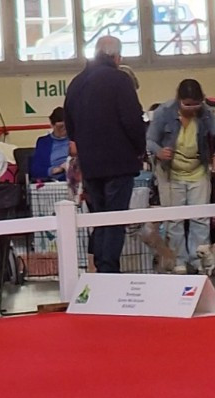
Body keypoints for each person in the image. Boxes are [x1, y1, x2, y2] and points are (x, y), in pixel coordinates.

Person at [63, 35, 146, 274]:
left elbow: (70, 122)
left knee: (98, 219)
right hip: (119, 163)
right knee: (115, 220)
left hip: (90, 164)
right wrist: (139, 149)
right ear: (117, 57)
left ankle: (98, 267)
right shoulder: (120, 80)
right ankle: (109, 271)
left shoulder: (77, 82)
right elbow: (132, 120)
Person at [147, 79, 215, 274]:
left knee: (200, 219)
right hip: (170, 173)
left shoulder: (207, 113)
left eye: (196, 104)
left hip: (198, 171)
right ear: (178, 99)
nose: (192, 108)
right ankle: (178, 260)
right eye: (187, 104)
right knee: (174, 220)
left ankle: (199, 259)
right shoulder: (163, 112)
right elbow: (149, 139)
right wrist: (158, 152)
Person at [29, 107, 70, 181]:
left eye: (67, 126)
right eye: (61, 127)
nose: (64, 129)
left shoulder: (76, 139)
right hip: (53, 182)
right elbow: (35, 170)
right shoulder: (43, 142)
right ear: (52, 125)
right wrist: (55, 170)